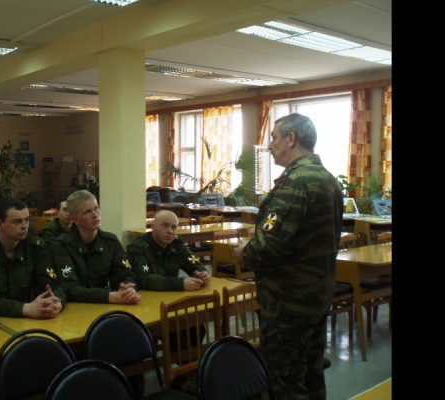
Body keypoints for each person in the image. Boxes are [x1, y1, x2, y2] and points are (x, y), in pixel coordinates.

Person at [233, 113, 343, 400]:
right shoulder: (329, 180)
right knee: (311, 373)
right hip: (316, 296)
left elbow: (269, 245)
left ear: (291, 139)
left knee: (285, 381)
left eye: (274, 137)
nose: (270, 145)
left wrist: (245, 251)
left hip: (288, 303)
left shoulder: (295, 182)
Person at [0, 197, 65, 319]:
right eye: (17, 222)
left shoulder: (36, 247)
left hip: (29, 318)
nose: (24, 226)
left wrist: (56, 301)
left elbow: (52, 285)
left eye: (27, 220)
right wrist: (25, 308)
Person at [50, 190, 141, 304]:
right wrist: (111, 296)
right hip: (76, 306)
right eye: (87, 212)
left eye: (96, 208)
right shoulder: (62, 245)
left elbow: (125, 274)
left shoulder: (111, 242)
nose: (95, 214)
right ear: (75, 220)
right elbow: (70, 289)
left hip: (105, 305)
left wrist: (128, 289)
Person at [126, 210, 210, 291]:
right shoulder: (138, 248)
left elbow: (194, 264)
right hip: (147, 295)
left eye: (174, 227)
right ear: (153, 227)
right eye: (165, 226)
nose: (170, 231)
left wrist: (202, 273)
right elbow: (144, 279)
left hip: (171, 294)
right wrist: (180, 284)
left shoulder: (177, 244)